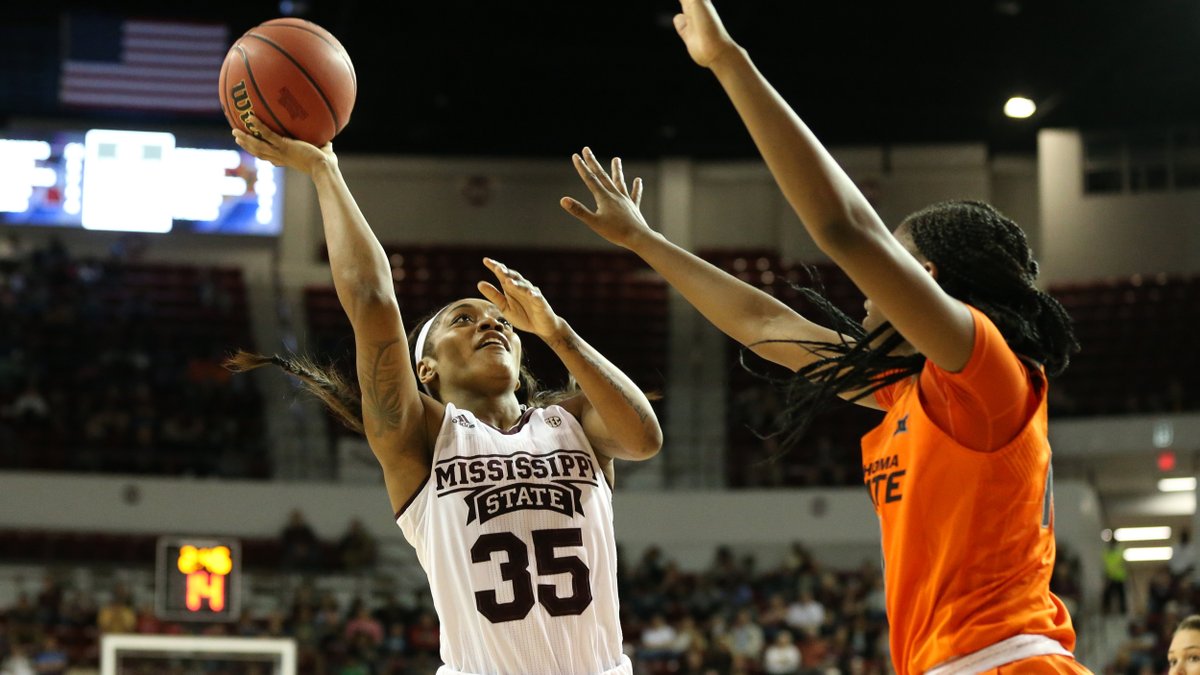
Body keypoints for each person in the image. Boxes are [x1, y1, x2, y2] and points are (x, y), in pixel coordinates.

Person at [560, 1, 1085, 672]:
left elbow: (846, 229)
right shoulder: (912, 392)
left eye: (886, 269)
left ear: (920, 276)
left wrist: (729, 62)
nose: (867, 292)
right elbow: (764, 324)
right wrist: (646, 240)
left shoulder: (987, 374)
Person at [229, 116, 662, 675]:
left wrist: (558, 333)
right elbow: (370, 298)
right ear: (424, 369)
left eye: (500, 318)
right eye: (464, 318)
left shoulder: (573, 419)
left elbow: (645, 438)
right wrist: (324, 169)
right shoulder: (422, 440)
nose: (493, 324)